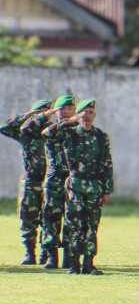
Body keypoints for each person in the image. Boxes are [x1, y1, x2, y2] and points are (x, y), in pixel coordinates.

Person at [42, 99, 113, 275]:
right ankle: (74, 264)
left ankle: (89, 263)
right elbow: (46, 133)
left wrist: (107, 190)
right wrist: (71, 121)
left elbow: (107, 164)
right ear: (78, 115)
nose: (87, 116)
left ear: (95, 115)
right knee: (74, 224)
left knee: (91, 225)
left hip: (94, 186)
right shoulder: (69, 134)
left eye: (91, 113)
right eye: (84, 113)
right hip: (75, 185)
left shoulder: (100, 136)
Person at [21, 96, 77, 269]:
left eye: (70, 108)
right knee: (51, 218)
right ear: (56, 112)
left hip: (72, 180)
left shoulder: (79, 130)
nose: (66, 112)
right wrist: (44, 115)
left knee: (71, 218)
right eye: (62, 109)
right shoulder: (50, 129)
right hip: (54, 180)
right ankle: (52, 255)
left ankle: (68, 255)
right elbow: (26, 128)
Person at [1, 98, 52, 265]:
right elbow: (5, 128)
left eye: (46, 112)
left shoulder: (53, 132)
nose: (43, 116)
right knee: (28, 218)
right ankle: (30, 253)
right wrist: (28, 115)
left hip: (50, 182)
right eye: (40, 112)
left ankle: (46, 252)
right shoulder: (26, 133)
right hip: (31, 181)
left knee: (49, 218)